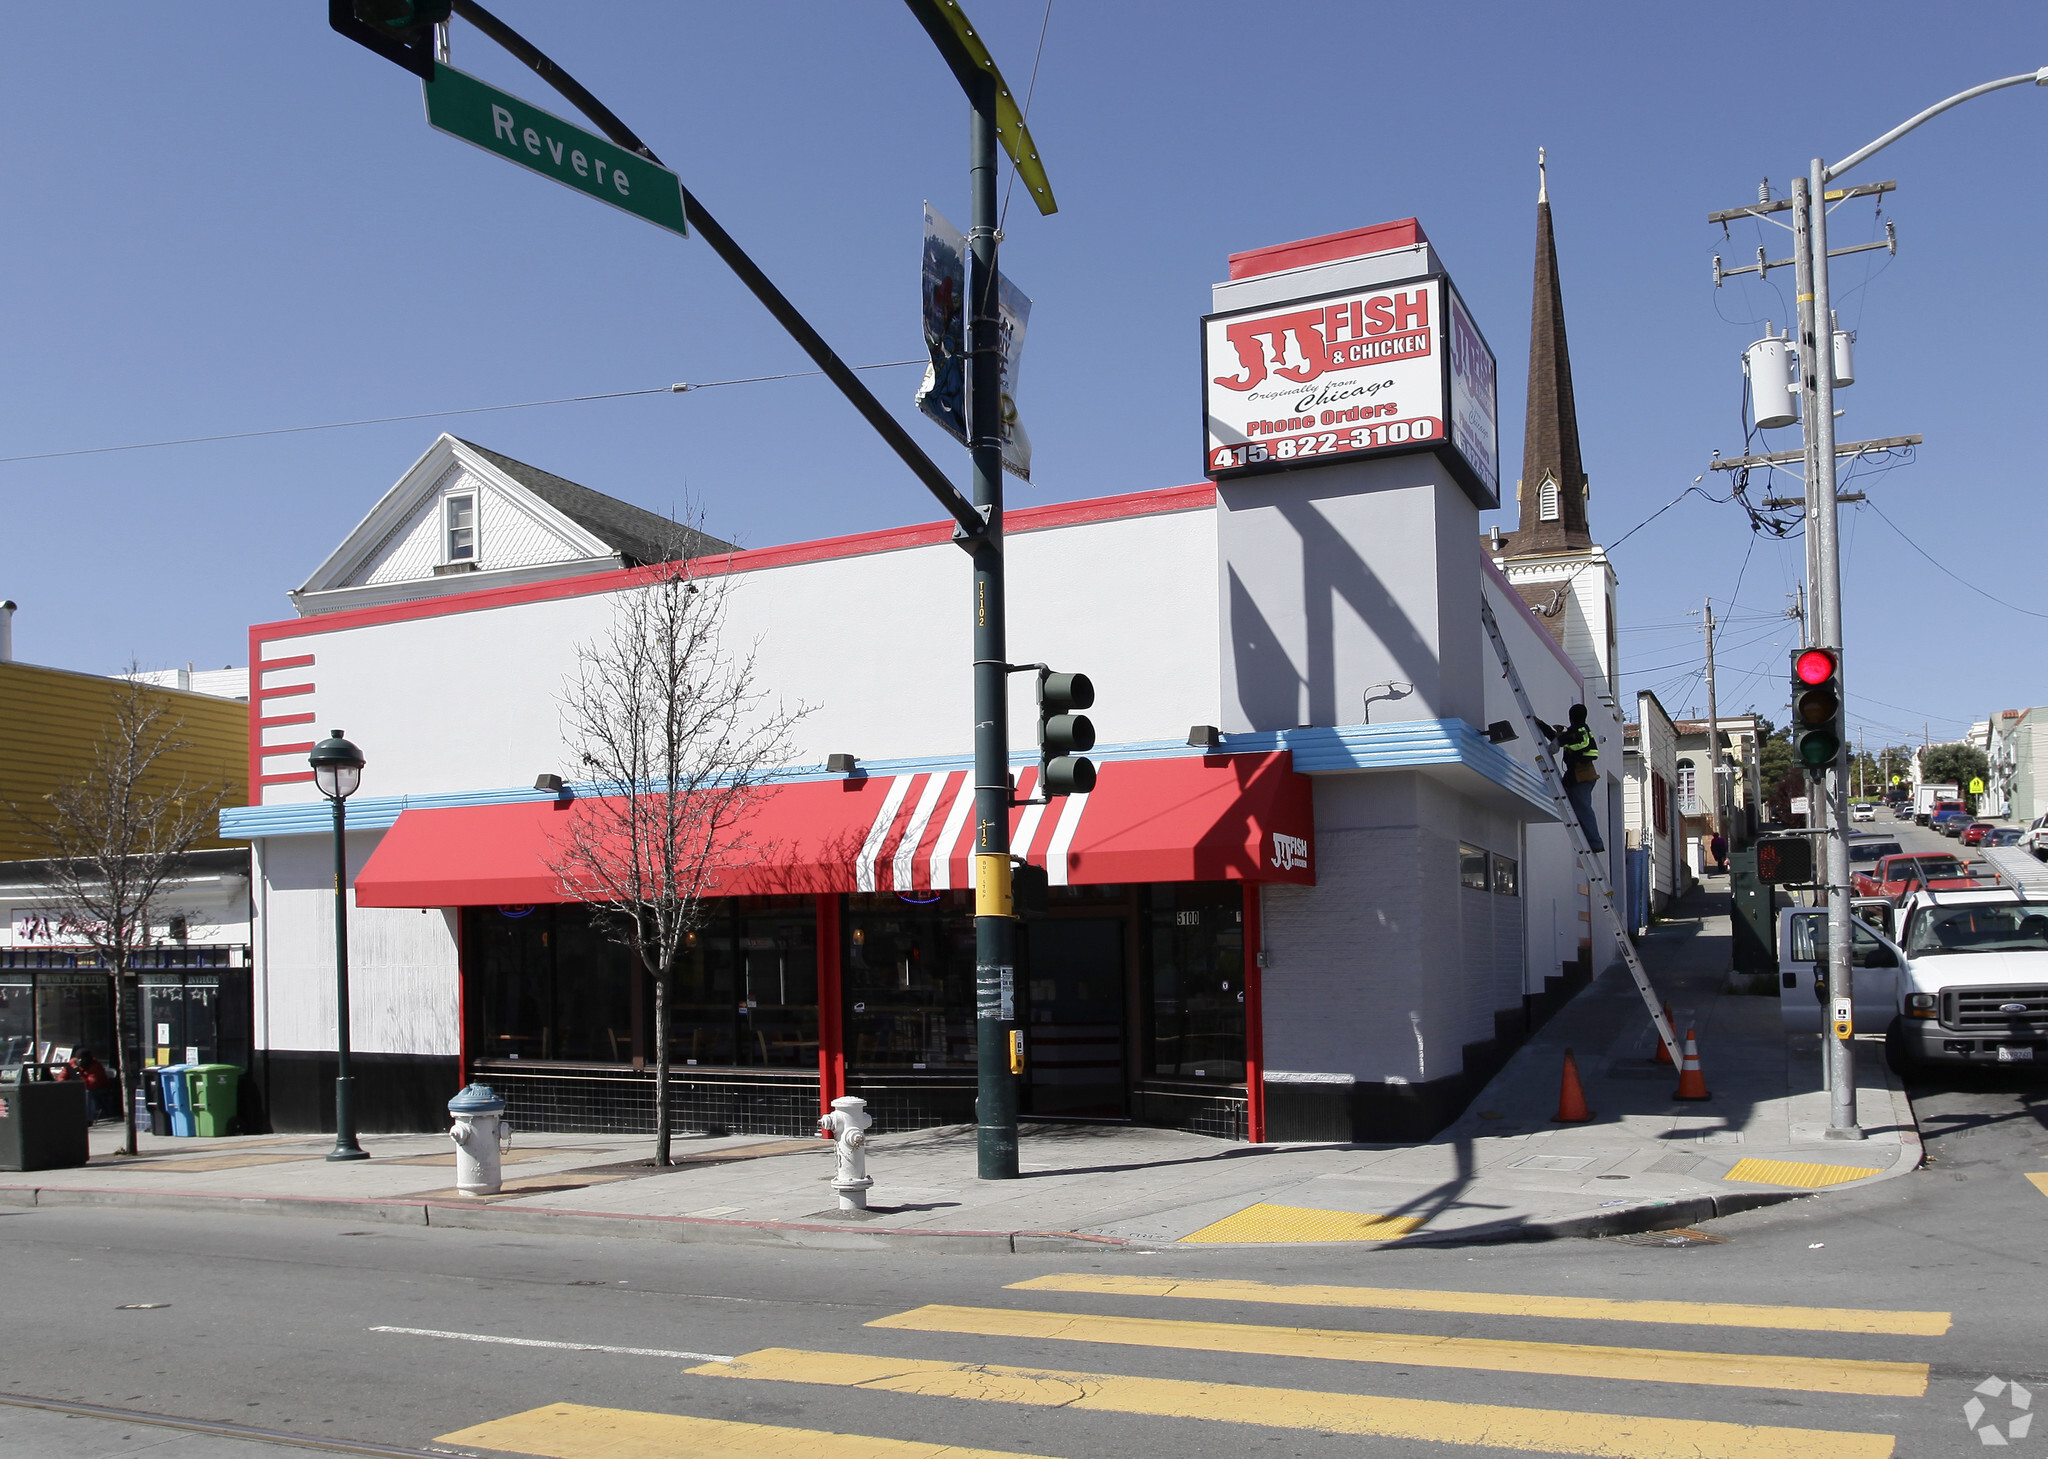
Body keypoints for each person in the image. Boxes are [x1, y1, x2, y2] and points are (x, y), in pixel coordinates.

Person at [1535, 703, 1604, 853]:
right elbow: (1558, 738)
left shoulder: (1579, 731)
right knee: (1576, 809)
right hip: (1576, 776)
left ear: (1571, 717)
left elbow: (1559, 741)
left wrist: (1550, 749)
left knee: (1583, 809)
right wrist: (1542, 725)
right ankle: (1586, 841)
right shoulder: (1577, 732)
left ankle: (1594, 843)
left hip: (1582, 776)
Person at [61, 1048, 119, 1122]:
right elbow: (61, 1078)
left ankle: (87, 1120)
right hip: (78, 1087)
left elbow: (92, 1085)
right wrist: (71, 1085)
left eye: (84, 1059)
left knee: (88, 1093)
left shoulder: (95, 1066)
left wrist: (79, 1075)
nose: (81, 1061)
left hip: (99, 1089)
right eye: (79, 1059)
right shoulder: (71, 1064)